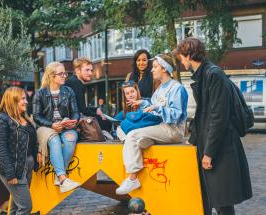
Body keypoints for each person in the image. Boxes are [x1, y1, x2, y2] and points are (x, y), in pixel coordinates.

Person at [176, 37, 252, 215]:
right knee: (209, 197)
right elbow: (202, 114)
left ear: (188, 55)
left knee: (222, 201)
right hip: (211, 143)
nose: (180, 62)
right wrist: (192, 141)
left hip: (220, 147)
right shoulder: (204, 74)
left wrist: (209, 153)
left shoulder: (213, 74)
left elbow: (218, 117)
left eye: (181, 57)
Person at [115, 53, 188, 195]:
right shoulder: (159, 90)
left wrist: (156, 108)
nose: (152, 70)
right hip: (161, 127)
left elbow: (177, 115)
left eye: (155, 67)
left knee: (132, 135)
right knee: (138, 137)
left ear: (164, 69)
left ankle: (132, 178)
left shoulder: (177, 88)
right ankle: (146, 141)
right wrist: (144, 103)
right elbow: (154, 108)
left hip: (173, 130)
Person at [33, 61, 80, 193]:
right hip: (46, 127)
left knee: (70, 139)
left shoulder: (68, 91)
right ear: (52, 76)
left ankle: (60, 178)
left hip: (65, 126)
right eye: (61, 74)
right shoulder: (40, 93)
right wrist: (52, 124)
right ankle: (63, 178)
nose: (65, 76)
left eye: (65, 73)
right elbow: (36, 116)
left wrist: (73, 121)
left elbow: (75, 111)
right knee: (54, 141)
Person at [0, 87, 39, 215]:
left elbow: (32, 140)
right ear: (13, 100)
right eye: (23, 99)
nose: (26, 102)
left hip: (27, 164)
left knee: (16, 207)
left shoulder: (24, 117)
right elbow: (1, 149)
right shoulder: (2, 120)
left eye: (25, 98)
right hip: (13, 168)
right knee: (25, 207)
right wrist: (10, 174)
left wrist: (38, 153)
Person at [65, 57, 112, 131]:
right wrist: (99, 117)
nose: (90, 73)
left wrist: (95, 109)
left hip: (71, 119)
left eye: (91, 70)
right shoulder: (77, 83)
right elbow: (83, 110)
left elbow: (80, 106)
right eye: (87, 70)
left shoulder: (72, 81)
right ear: (77, 70)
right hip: (72, 122)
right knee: (106, 123)